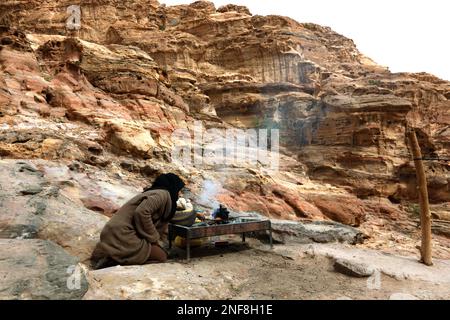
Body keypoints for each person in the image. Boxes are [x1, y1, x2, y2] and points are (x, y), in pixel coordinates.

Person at [90, 173, 185, 269]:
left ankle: (117, 258)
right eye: (179, 190)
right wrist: (153, 237)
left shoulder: (160, 194)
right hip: (122, 234)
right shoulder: (161, 194)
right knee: (161, 257)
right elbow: (142, 212)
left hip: (118, 232)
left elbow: (161, 222)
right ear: (173, 186)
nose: (179, 194)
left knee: (161, 252)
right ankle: (116, 261)